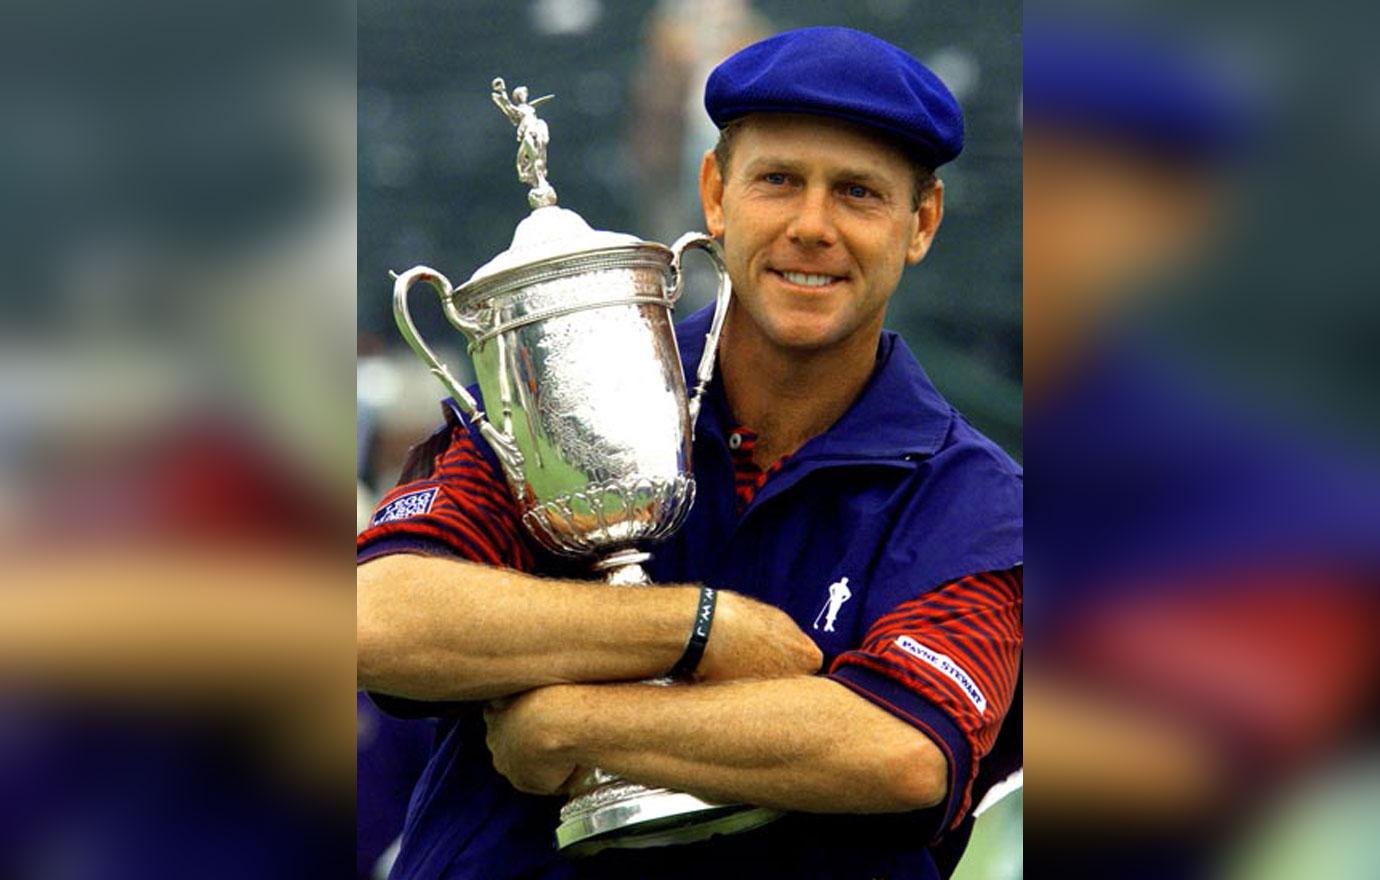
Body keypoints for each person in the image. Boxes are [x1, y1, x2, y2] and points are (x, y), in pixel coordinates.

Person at [357, 26, 1022, 880]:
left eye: (857, 193)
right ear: (715, 193)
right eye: (778, 181)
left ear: (920, 222)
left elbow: (900, 750)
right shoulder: (550, 394)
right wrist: (700, 628)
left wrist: (573, 724)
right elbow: (380, 618)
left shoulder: (974, 499)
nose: (812, 227)